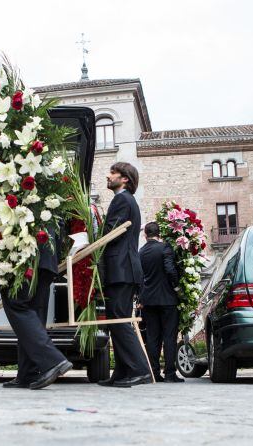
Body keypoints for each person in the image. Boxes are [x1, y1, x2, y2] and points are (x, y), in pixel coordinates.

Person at [98, 162, 151, 387]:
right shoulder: (126, 200)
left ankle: (140, 371)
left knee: (119, 320)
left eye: (113, 173)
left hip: (121, 269)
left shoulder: (122, 199)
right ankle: (122, 372)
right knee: (116, 320)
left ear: (125, 179)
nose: (108, 176)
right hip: (123, 268)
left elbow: (112, 232)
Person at [1, 226, 72, 390]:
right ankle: (28, 374)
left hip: (29, 256)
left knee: (16, 304)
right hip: (47, 259)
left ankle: (53, 360)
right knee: (34, 314)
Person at [139, 222, 183, 383]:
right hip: (167, 299)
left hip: (148, 300)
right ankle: (170, 374)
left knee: (152, 337)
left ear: (145, 235)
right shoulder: (165, 248)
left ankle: (154, 373)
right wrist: (177, 288)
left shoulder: (141, 252)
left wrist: (140, 297)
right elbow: (170, 269)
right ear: (159, 234)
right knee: (169, 336)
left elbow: (139, 277)